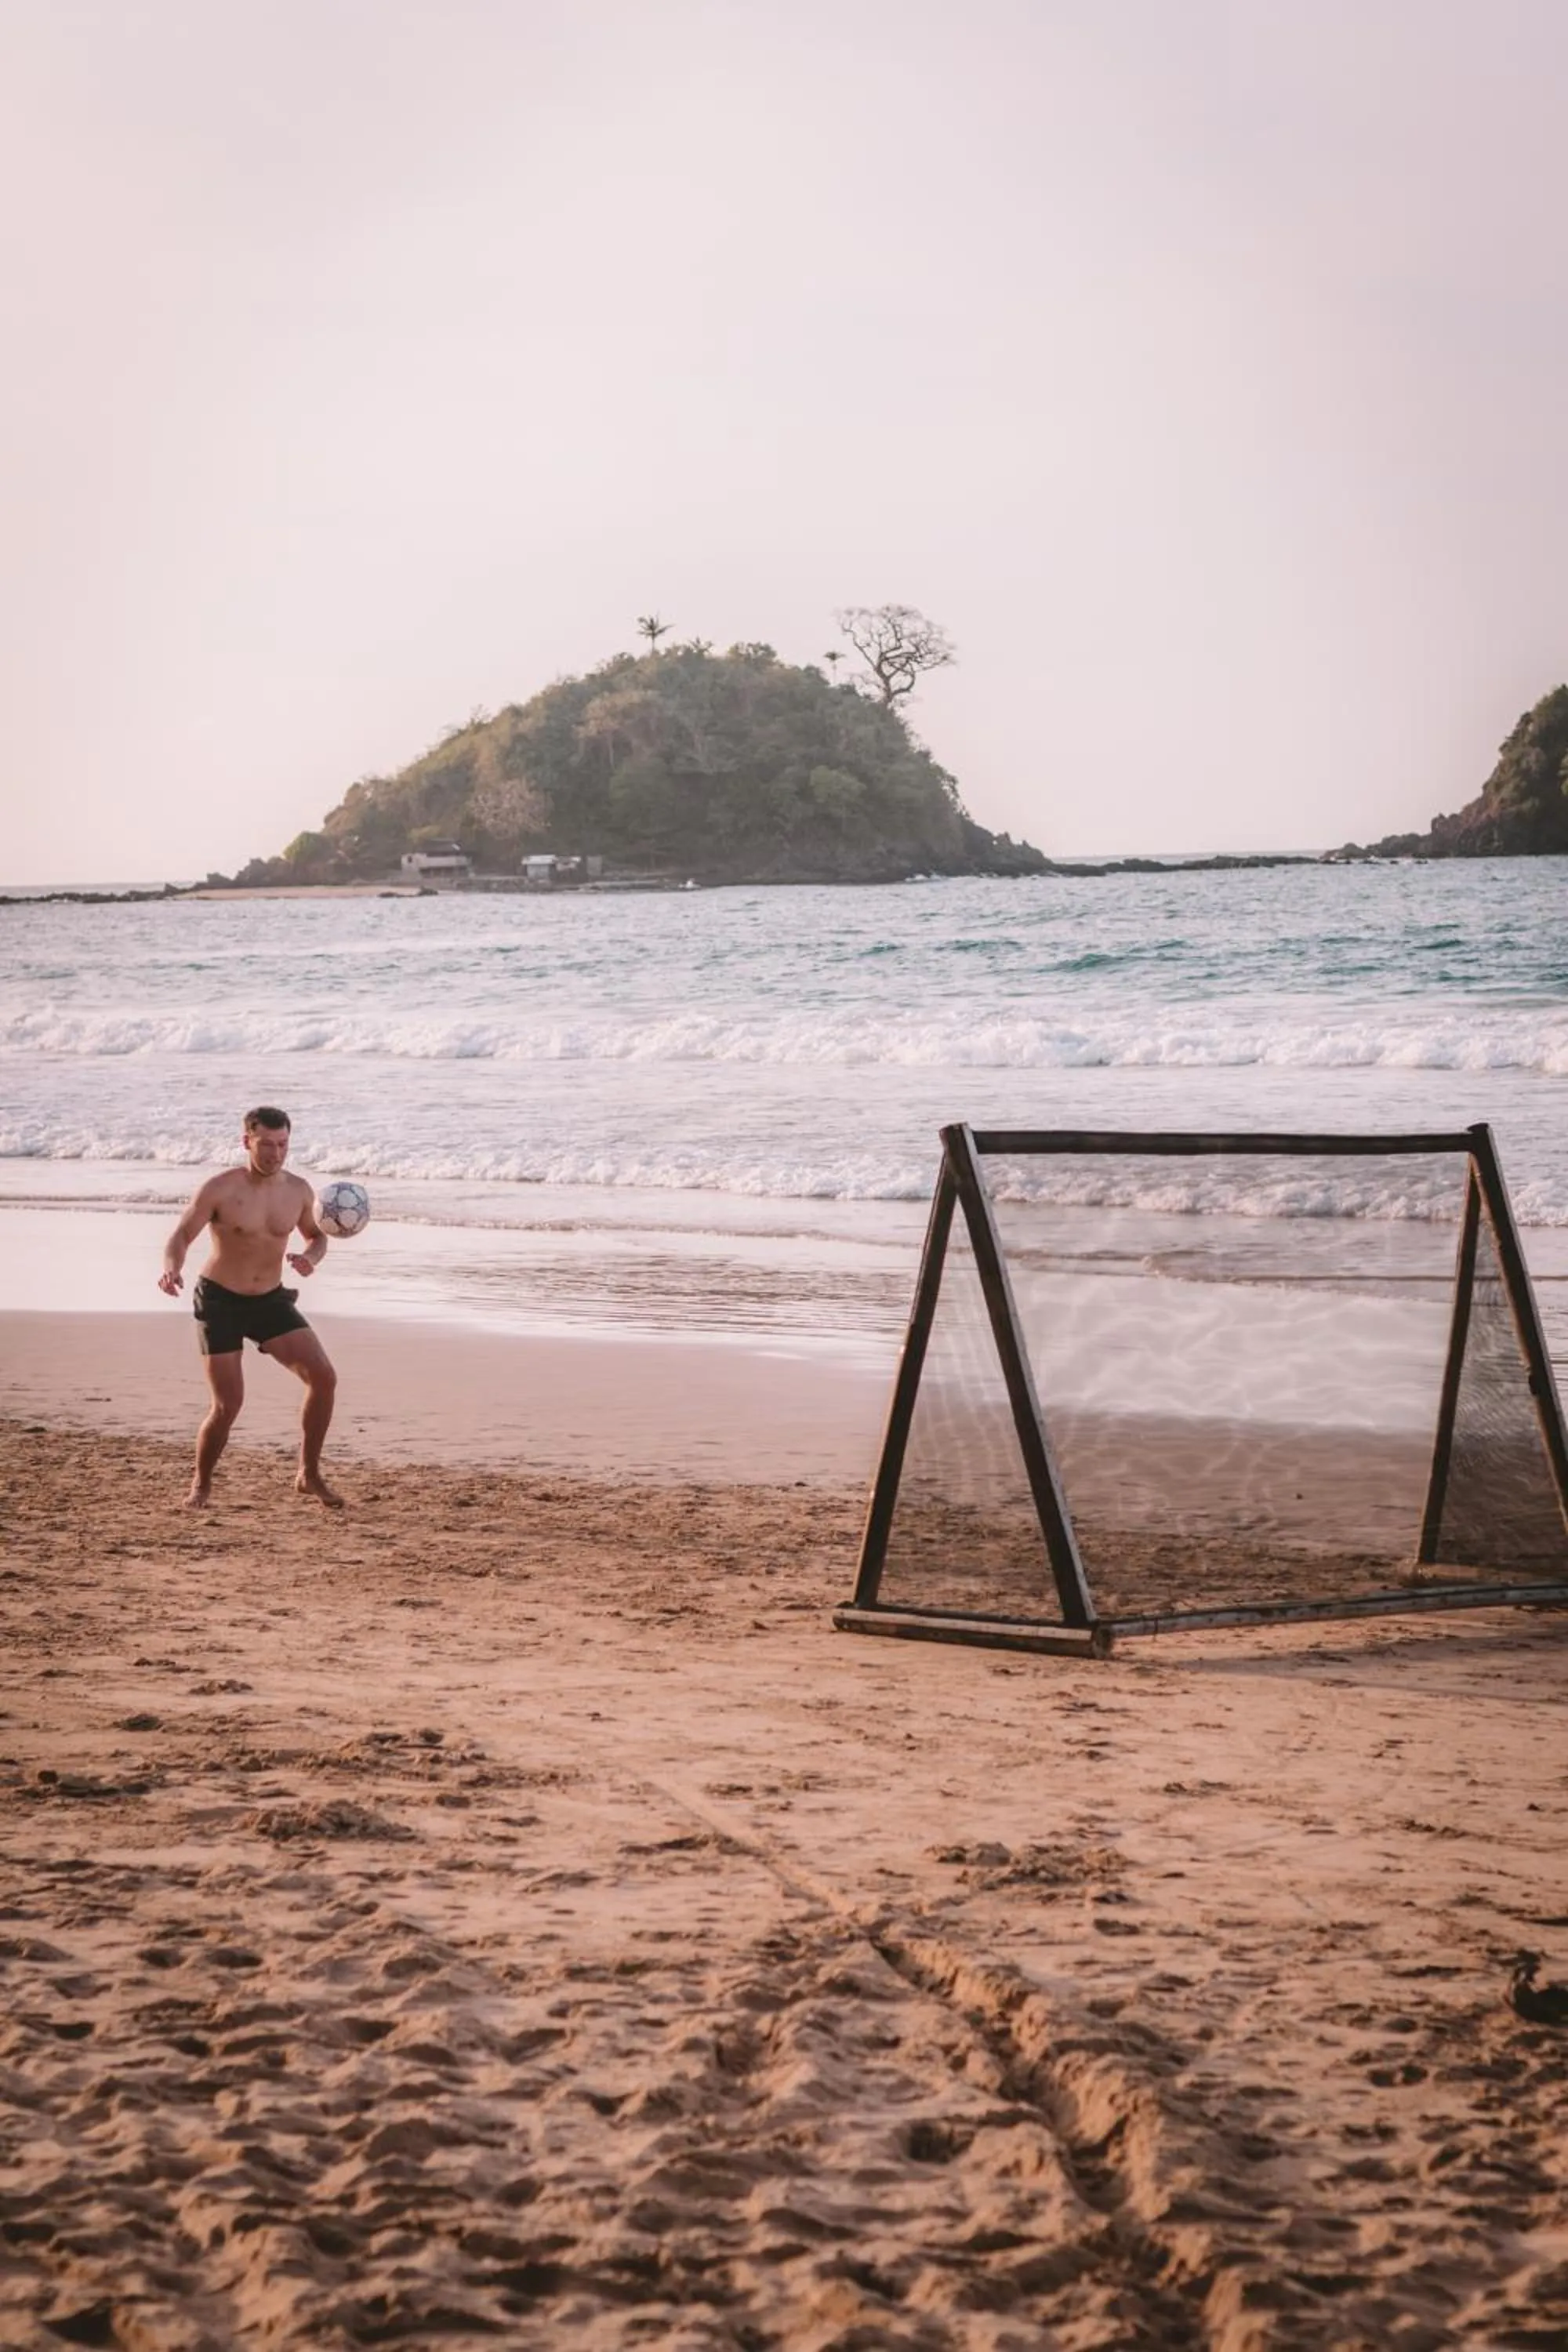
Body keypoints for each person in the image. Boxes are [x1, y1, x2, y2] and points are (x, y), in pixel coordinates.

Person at [158, 1105, 342, 1510]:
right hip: (220, 1300)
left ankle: (308, 1475)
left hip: (270, 1301)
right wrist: (172, 1270)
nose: (276, 1154)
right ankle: (201, 1485)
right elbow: (181, 1236)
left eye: (283, 1145)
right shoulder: (220, 1188)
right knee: (228, 1405)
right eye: (267, 1145)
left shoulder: (298, 1191)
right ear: (247, 1141)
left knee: (324, 1378)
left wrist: (311, 1258)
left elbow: (317, 1236)